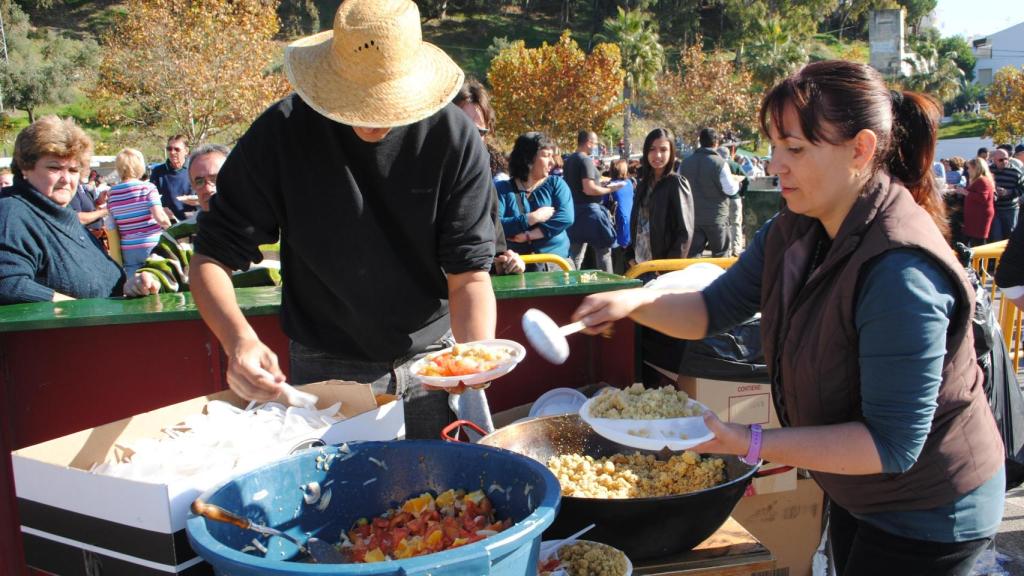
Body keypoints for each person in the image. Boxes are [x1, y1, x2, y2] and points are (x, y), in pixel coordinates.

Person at [572, 61, 1004, 575]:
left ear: (861, 149)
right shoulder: (794, 226)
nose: (774, 164)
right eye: (773, 145)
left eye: (794, 148)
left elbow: (890, 444)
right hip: (858, 488)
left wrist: (748, 441)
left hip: (932, 507)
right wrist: (635, 302)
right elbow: (712, 309)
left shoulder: (900, 270)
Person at [189, 0, 498, 440]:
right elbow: (209, 259)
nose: (373, 118)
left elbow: (469, 274)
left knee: (446, 497)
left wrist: (475, 356)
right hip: (324, 362)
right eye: (358, 102)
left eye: (386, 103)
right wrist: (238, 340)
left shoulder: (454, 137)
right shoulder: (283, 131)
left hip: (433, 360)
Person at [0, 116, 125, 303]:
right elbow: (8, 284)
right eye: (54, 168)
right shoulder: (12, 212)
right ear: (25, 168)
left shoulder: (66, 220)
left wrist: (132, 284)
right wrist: (71, 309)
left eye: (73, 170)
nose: (66, 179)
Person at [452, 78, 525, 275]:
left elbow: (497, 253)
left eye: (479, 132)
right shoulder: (422, 182)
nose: (469, 138)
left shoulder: (484, 184)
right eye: (461, 127)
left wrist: (510, 262)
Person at [495, 132, 573, 270]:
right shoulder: (502, 189)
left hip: (556, 265)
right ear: (528, 159)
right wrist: (531, 218)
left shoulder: (556, 184)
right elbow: (496, 226)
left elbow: (566, 217)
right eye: (545, 156)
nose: (552, 162)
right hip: (516, 267)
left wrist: (528, 235)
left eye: (552, 156)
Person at [626, 128, 694, 269]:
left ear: (671, 152)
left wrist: (667, 267)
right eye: (652, 149)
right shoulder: (643, 184)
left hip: (662, 269)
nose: (657, 155)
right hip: (639, 265)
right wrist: (630, 256)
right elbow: (638, 222)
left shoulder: (676, 183)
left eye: (663, 150)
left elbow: (685, 233)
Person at [564, 130, 625, 272]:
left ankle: (572, 287)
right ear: (589, 142)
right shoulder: (585, 160)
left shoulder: (569, 161)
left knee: (575, 258)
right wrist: (611, 189)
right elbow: (589, 189)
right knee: (603, 253)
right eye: (596, 143)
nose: (596, 146)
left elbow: (580, 186)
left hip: (574, 213)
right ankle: (608, 287)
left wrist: (601, 185)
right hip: (591, 214)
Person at [108, 148, 172, 275]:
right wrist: (171, 230)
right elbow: (160, 217)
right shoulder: (147, 188)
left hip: (128, 248)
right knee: (158, 280)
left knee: (135, 286)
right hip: (151, 243)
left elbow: (112, 220)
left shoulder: (112, 193)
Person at [680, 128, 739, 257]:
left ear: (700, 141)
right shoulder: (720, 164)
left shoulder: (685, 163)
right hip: (717, 218)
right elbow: (731, 190)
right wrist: (737, 183)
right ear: (716, 143)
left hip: (693, 218)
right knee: (721, 257)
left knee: (692, 259)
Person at [150, 134, 192, 222]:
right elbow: (151, 199)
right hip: (169, 223)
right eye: (169, 149)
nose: (172, 152)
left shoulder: (194, 168)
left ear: (186, 151)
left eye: (177, 149)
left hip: (194, 220)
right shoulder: (158, 172)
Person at [954, 156, 995, 246]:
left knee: (978, 241)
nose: (967, 170)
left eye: (969, 168)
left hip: (980, 216)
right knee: (971, 238)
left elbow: (983, 198)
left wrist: (965, 192)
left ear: (976, 168)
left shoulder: (982, 180)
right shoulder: (977, 180)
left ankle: (980, 259)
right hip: (975, 215)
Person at [605, 159, 633, 275]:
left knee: (618, 255)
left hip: (617, 221)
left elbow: (605, 202)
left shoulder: (610, 186)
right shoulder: (630, 183)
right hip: (630, 220)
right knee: (628, 252)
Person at [183, 143, 229, 213]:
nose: (208, 189)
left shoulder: (250, 219)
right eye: (199, 182)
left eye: (216, 179)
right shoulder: (189, 224)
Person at [991, 148, 1024, 241]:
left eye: (1006, 158)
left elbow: (1022, 189)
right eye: (1001, 160)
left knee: (1010, 235)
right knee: (996, 236)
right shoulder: (989, 170)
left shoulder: (1016, 172)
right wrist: (994, 190)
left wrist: (1008, 192)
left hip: (1010, 209)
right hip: (995, 209)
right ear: (994, 160)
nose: (1004, 161)